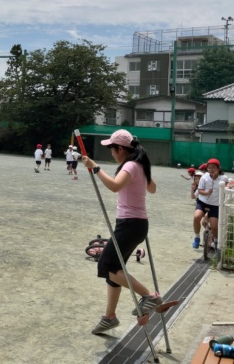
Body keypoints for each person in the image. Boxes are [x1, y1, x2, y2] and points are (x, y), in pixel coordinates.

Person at [82, 129, 159, 335]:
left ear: (121, 149)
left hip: (130, 224)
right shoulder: (140, 165)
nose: (111, 153)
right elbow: (152, 189)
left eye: (112, 149)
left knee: (106, 266)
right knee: (115, 271)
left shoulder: (131, 165)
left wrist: (95, 168)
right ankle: (109, 317)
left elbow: (115, 186)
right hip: (136, 224)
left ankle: (149, 296)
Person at [192, 158, 227, 250]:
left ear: (218, 168)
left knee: (214, 226)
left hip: (215, 205)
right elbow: (199, 190)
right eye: (209, 167)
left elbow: (229, 185)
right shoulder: (204, 177)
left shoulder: (223, 178)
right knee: (196, 217)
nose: (211, 169)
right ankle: (196, 237)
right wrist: (206, 193)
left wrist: (230, 186)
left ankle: (216, 241)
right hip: (203, 202)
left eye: (213, 167)